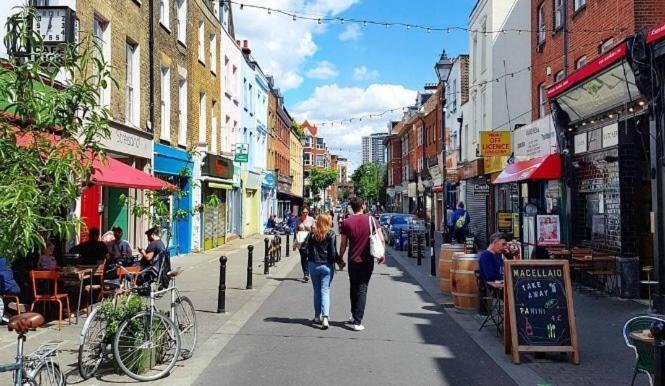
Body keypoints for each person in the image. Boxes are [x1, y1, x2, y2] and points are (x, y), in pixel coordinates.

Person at [339, 197, 385, 332]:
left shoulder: (346, 222)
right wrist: (382, 255)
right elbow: (381, 239)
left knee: (353, 287)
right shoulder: (372, 220)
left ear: (351, 208)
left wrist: (340, 259)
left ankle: (354, 315)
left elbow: (343, 244)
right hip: (367, 260)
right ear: (363, 206)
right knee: (362, 288)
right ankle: (358, 321)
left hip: (353, 260)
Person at [305, 214, 343, 329]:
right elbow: (332, 251)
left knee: (317, 291)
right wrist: (339, 262)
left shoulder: (312, 234)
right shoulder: (331, 234)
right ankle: (325, 318)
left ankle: (317, 316)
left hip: (313, 265)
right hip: (326, 265)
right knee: (325, 291)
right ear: (327, 222)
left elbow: (306, 249)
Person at [294, 208, 315, 282]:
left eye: (306, 212)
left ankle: (308, 272)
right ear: (301, 212)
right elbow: (295, 230)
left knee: (308, 256)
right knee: (303, 257)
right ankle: (306, 273)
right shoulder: (298, 220)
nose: (305, 213)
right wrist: (295, 242)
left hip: (309, 240)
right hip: (301, 240)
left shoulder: (311, 219)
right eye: (303, 212)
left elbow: (313, 230)